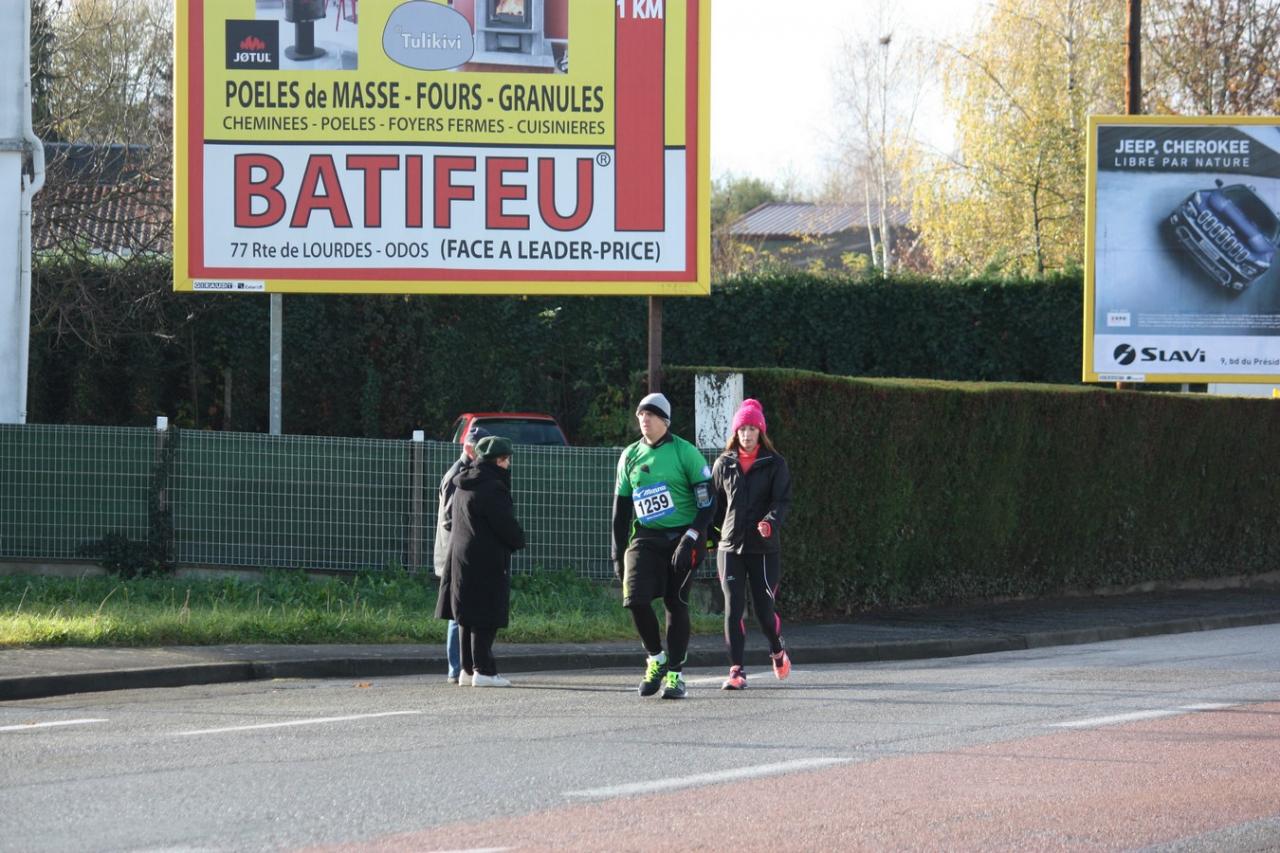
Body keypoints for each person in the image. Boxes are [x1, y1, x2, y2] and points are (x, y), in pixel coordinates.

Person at [611, 392, 715, 699]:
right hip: (646, 537)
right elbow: (621, 510)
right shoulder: (630, 455)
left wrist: (691, 536)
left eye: (651, 414)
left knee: (675, 602)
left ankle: (675, 675)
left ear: (665, 421)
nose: (644, 419)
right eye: (641, 414)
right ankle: (656, 658)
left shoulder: (686, 453)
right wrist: (616, 552)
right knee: (634, 599)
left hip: (683, 537)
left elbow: (708, 503)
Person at [710, 398, 792, 690]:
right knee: (733, 608)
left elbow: (781, 501)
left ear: (761, 432)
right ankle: (736, 670)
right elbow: (715, 506)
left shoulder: (775, 464)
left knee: (764, 613)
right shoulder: (723, 463)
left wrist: (770, 522)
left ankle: (777, 650)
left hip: (763, 549)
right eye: (742, 429)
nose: (746, 434)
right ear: (736, 432)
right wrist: (710, 537)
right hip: (730, 548)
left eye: (752, 429)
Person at [435, 435, 526, 687]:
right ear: (497, 460)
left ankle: (467, 669)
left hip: (460, 558)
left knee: (466, 614)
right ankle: (484, 670)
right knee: (486, 615)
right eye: (505, 460)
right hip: (486, 560)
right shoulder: (493, 487)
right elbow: (505, 525)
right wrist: (519, 540)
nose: (508, 465)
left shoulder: (463, 483)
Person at [434, 425, 490, 683]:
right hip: (452, 553)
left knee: (459, 610)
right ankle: (456, 668)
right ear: (468, 447)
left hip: (453, 552)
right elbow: (449, 518)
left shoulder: (463, 471)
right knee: (458, 613)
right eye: (480, 448)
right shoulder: (456, 475)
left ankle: (459, 668)